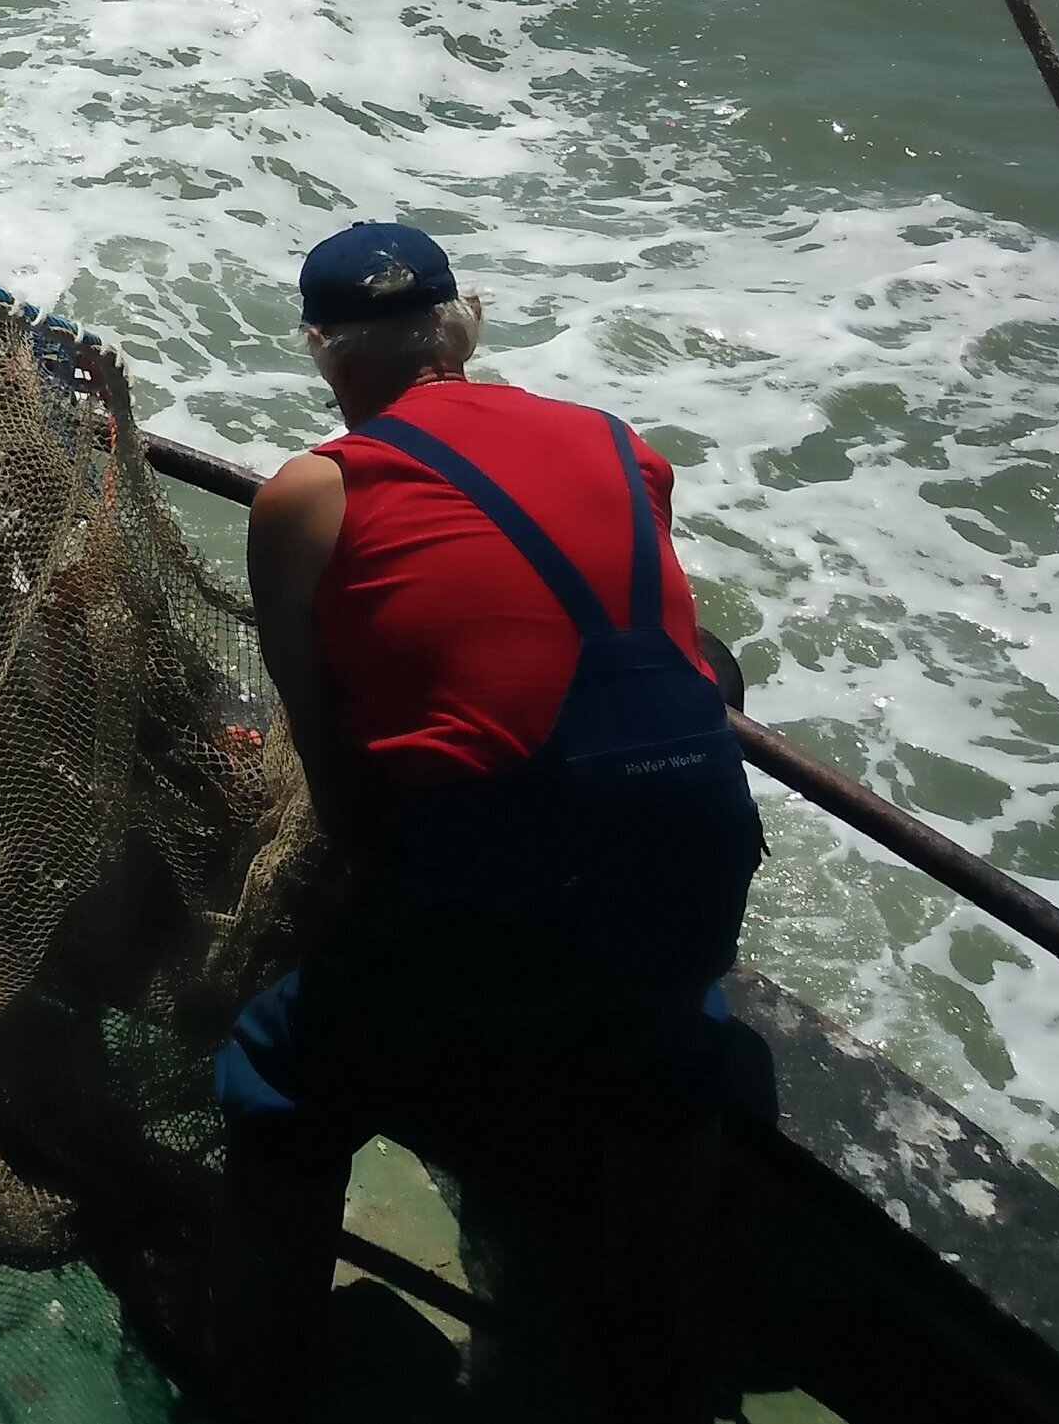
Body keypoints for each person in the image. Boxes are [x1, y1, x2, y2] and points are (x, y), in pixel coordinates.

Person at [207, 221, 764, 1422]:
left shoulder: (313, 489)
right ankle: (667, 1368)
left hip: (496, 858)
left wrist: (373, 878)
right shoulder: (620, 445)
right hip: (701, 831)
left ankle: (263, 1378)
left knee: (276, 1070)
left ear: (321, 353)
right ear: (466, 324)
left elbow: (323, 728)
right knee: (665, 1056)